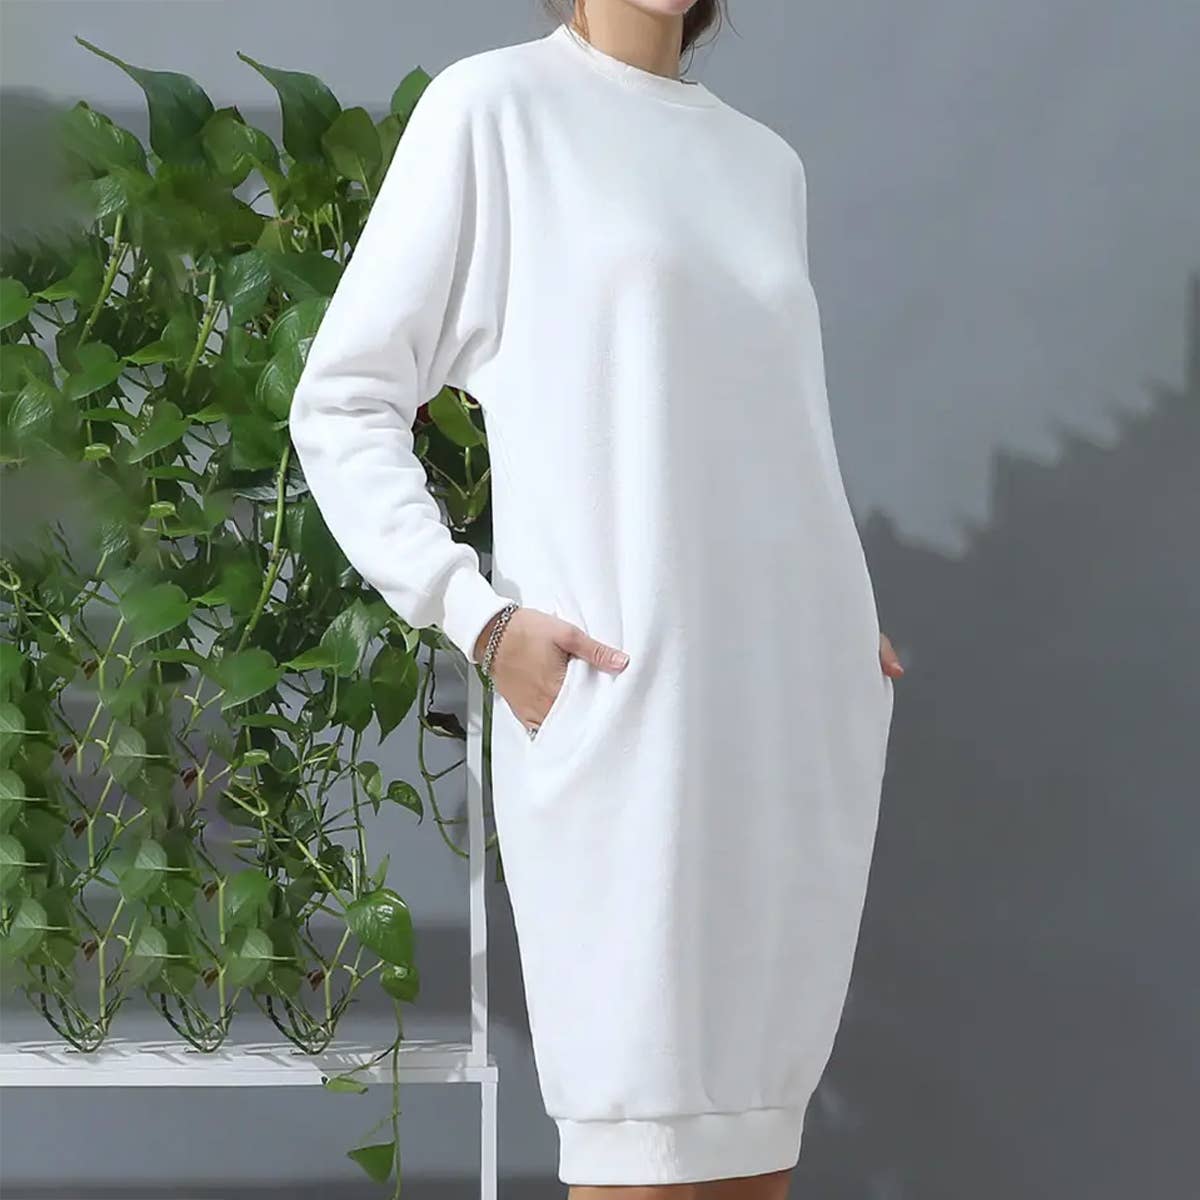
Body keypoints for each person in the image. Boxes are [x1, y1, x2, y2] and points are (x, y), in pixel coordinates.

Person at [288, 1, 903, 1193]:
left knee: (754, 1151)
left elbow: (771, 436)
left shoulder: (763, 164)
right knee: (640, 1141)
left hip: (781, 714)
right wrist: (478, 616)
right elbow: (343, 400)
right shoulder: (497, 111)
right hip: (624, 711)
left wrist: (830, 614)